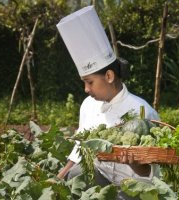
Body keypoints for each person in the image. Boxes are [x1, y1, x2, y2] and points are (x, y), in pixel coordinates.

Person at [56, 5, 160, 199]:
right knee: (76, 174)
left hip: (135, 188)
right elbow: (80, 148)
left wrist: (133, 162)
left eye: (90, 83)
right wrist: (58, 177)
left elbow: (150, 172)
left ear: (109, 76)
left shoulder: (142, 111)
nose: (86, 90)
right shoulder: (88, 105)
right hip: (101, 178)